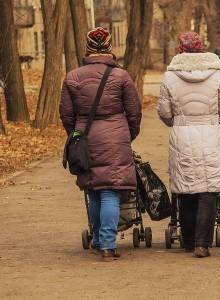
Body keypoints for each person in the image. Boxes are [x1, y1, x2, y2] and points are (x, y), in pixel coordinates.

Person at [60, 27, 142, 261]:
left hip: (85, 137)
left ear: (88, 48)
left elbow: (66, 114)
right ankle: (107, 244)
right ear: (109, 47)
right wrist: (127, 135)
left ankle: (98, 240)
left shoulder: (73, 77)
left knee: (93, 191)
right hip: (116, 137)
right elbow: (134, 112)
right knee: (109, 192)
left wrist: (76, 137)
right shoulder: (121, 76)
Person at [158, 31, 220, 258]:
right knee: (209, 190)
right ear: (202, 49)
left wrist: (178, 122)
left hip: (182, 135)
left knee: (186, 189)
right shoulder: (217, 75)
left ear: (180, 50)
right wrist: (217, 120)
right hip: (211, 134)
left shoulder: (170, 77)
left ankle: (189, 241)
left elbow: (164, 112)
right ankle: (203, 243)